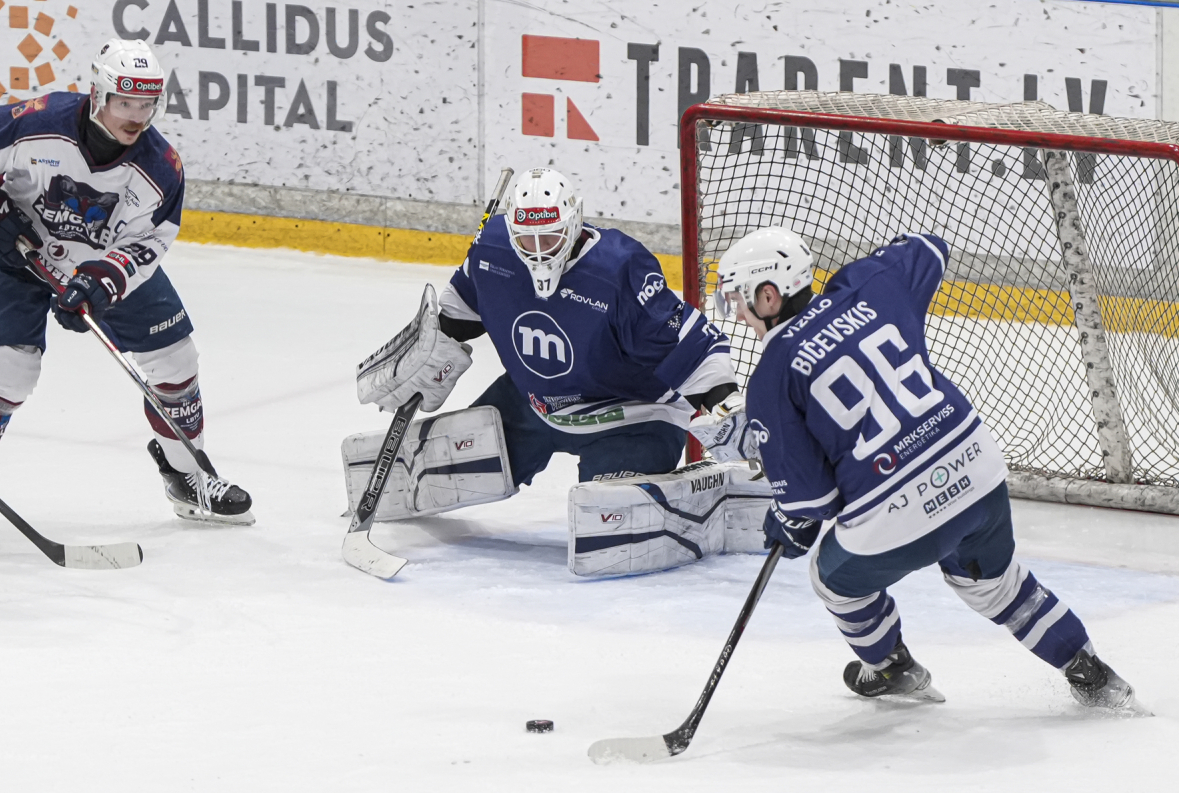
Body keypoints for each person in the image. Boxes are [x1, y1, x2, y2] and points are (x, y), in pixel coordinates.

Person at [716, 226, 1143, 711]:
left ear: (768, 295)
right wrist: (866, 276)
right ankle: (1094, 675)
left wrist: (790, 521)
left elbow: (814, 500)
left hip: (898, 513)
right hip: (976, 468)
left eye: (740, 301)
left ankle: (892, 667)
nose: (740, 315)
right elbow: (928, 247)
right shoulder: (869, 285)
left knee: (831, 580)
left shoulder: (770, 378)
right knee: (996, 587)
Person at [0, 37, 252, 554]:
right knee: (9, 374)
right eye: (126, 102)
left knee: (176, 358)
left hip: (98, 262)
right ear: (98, 96)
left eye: (147, 104)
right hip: (15, 256)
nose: (136, 116)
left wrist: (99, 283)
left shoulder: (161, 166)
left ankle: (189, 477)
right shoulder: (42, 120)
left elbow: (148, 242)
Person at [353, 167, 738, 523]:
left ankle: (682, 495)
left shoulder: (619, 270)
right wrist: (430, 351)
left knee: (607, 519)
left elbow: (692, 348)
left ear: (574, 223)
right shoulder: (493, 251)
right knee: (442, 471)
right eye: (527, 238)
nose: (538, 250)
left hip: (631, 416)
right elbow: (460, 313)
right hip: (533, 401)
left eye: (550, 237)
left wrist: (726, 407)